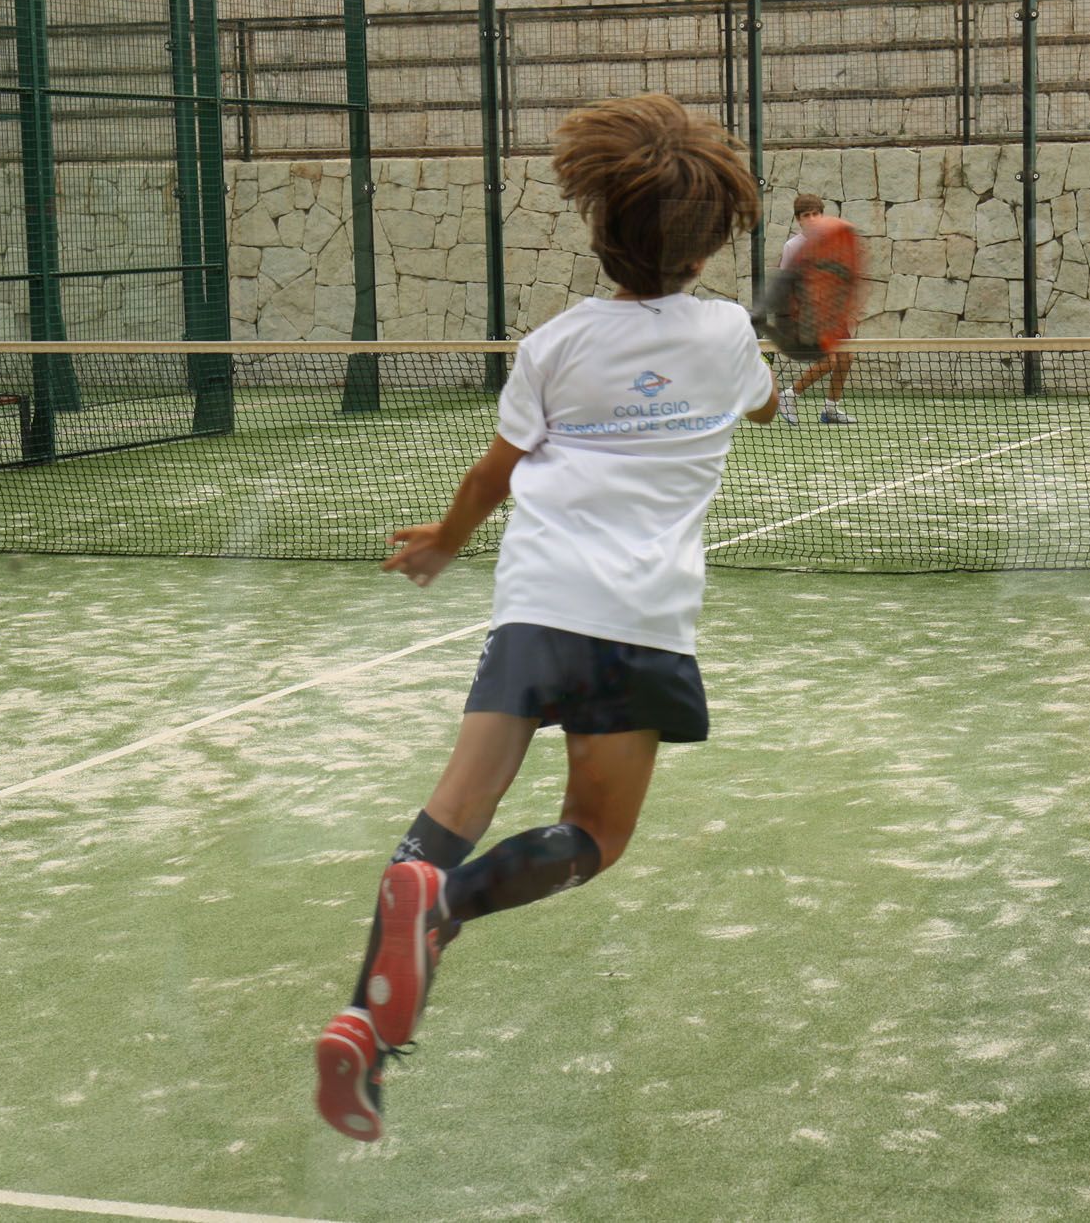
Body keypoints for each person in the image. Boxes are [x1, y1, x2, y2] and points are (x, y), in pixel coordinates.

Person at [314, 93, 778, 1143]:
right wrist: (774, 378)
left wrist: (442, 539)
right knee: (597, 834)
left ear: (598, 226)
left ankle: (366, 1023)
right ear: (710, 245)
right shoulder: (725, 340)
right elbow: (756, 401)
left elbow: (495, 469)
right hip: (643, 627)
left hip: (534, 610)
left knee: (443, 819)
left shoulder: (555, 344)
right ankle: (450, 910)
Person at [774, 194, 858, 425]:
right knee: (828, 361)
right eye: (805, 215)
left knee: (846, 358)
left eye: (815, 214)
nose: (811, 219)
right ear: (799, 220)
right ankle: (789, 395)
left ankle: (830, 409)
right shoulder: (792, 247)